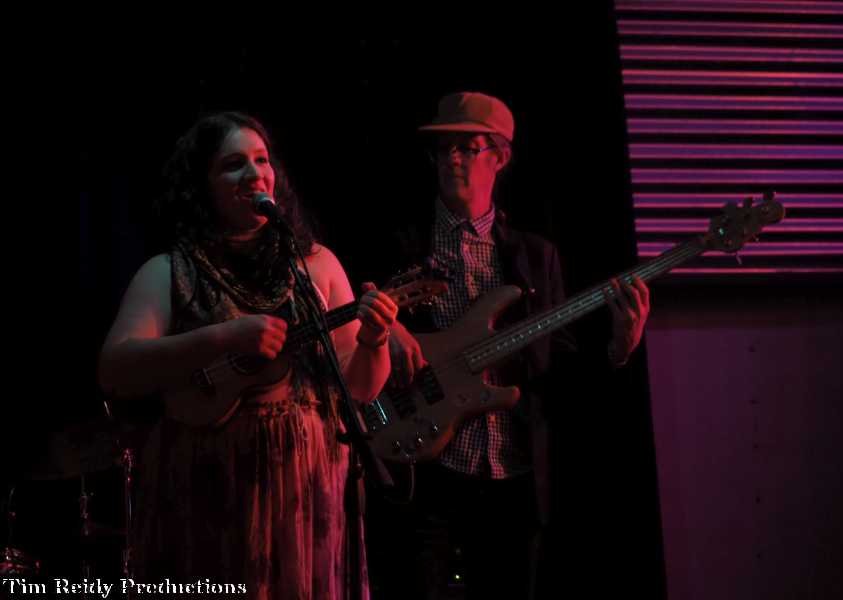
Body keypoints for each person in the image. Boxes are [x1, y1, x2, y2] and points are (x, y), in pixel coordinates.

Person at [98, 111, 396, 599]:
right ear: (202, 185)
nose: (255, 174)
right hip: (210, 498)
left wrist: (375, 340)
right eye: (233, 164)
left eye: (261, 160)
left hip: (310, 498)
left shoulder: (316, 265)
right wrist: (222, 338)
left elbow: (359, 388)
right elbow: (115, 368)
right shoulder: (170, 271)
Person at [364, 92, 651, 599]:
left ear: (499, 157)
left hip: (511, 472)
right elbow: (351, 320)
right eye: (443, 149)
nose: (451, 159)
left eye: (466, 147)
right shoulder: (401, 241)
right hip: (428, 466)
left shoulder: (536, 256)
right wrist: (390, 329)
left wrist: (619, 348)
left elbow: (557, 365)